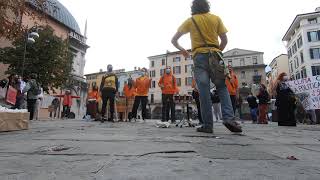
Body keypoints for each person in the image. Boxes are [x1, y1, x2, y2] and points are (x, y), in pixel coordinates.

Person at [171, 0, 242, 133]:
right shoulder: (216, 18)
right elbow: (225, 40)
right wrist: (217, 52)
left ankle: (207, 125)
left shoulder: (190, 20)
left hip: (199, 56)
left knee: (203, 92)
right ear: (207, 6)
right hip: (215, 54)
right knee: (222, 87)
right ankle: (229, 118)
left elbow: (174, 40)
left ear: (193, 7)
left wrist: (183, 51)